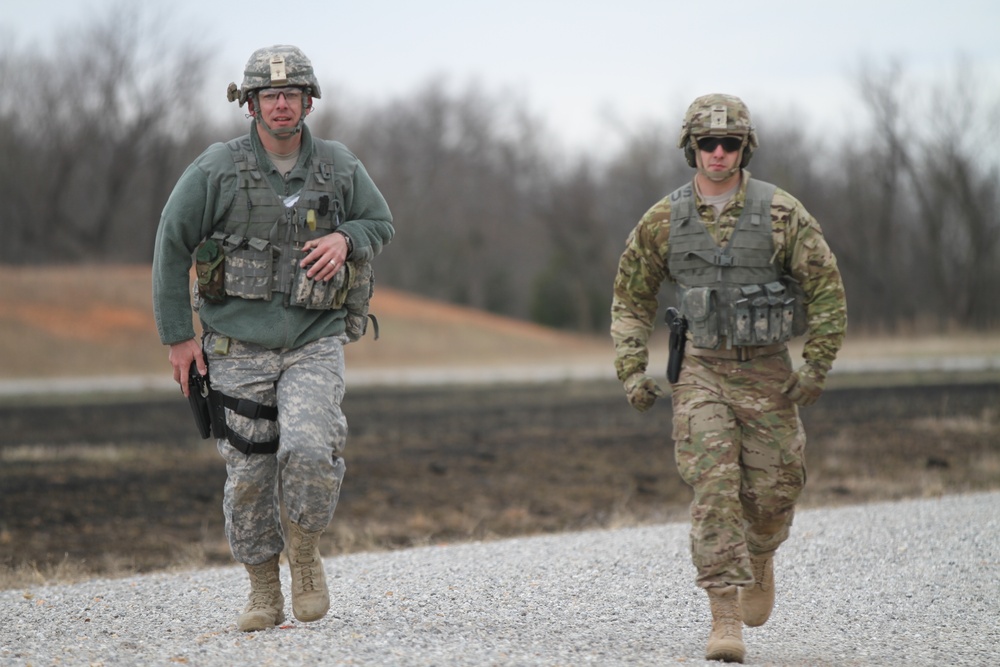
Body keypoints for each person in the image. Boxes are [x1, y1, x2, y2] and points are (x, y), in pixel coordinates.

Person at [152, 44, 394, 632]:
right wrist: (179, 338)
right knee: (249, 476)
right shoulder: (216, 169)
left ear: (309, 100)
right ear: (251, 104)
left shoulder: (338, 165)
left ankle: (305, 554)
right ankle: (264, 589)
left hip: (315, 339)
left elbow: (380, 222)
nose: (281, 104)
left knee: (310, 450)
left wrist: (346, 239)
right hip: (236, 347)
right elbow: (170, 245)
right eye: (269, 95)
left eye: (291, 94)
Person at [610, 94, 847, 663]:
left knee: (773, 492)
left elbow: (826, 291)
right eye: (707, 143)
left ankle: (761, 554)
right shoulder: (663, 220)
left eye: (730, 143)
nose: (718, 153)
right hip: (701, 372)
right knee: (713, 488)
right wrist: (631, 369)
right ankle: (724, 618)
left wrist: (815, 365)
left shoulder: (783, 213)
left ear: (746, 147)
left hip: (768, 372)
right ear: (690, 147)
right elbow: (631, 297)